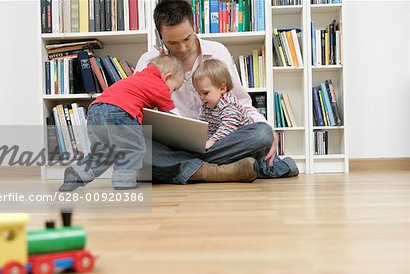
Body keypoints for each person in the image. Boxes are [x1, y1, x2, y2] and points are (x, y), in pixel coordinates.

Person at [135, 0, 299, 184]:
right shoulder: (148, 62)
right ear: (160, 37)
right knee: (127, 140)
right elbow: (136, 111)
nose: (182, 48)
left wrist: (269, 131)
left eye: (187, 39)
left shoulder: (217, 52)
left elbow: (241, 103)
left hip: (219, 141)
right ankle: (215, 170)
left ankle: (182, 168)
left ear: (194, 26)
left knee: (261, 134)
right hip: (171, 145)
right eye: (172, 42)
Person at [58, 55, 185, 191]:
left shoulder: (135, 79)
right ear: (167, 77)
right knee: (132, 149)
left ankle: (78, 173)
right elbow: (170, 116)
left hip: (95, 110)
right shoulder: (160, 86)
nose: (171, 93)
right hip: (119, 112)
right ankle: (123, 181)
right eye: (174, 89)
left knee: (104, 152)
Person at [193, 58, 255, 151]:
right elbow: (207, 127)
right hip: (225, 143)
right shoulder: (208, 105)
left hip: (243, 142)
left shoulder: (228, 104)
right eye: (199, 93)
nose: (201, 97)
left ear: (222, 88)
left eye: (205, 93)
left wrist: (211, 141)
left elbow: (228, 126)